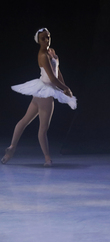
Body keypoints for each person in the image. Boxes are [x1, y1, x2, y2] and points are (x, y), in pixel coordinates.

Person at [1, 28, 76, 166]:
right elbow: (52, 78)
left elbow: (57, 72)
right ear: (38, 40)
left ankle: (11, 148)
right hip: (45, 92)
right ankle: (47, 159)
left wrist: (64, 86)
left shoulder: (50, 53)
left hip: (41, 91)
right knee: (43, 129)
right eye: (43, 38)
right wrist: (65, 88)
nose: (47, 40)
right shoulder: (43, 55)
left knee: (25, 120)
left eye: (48, 37)